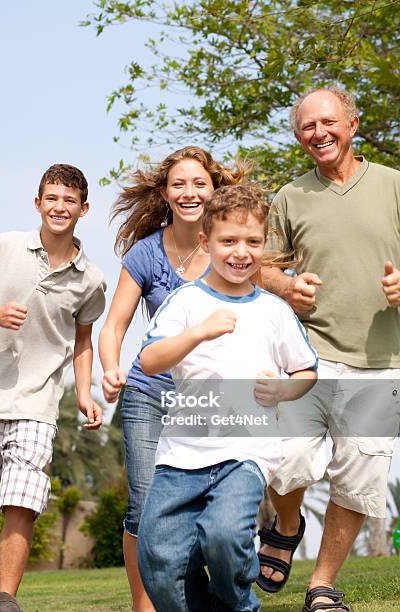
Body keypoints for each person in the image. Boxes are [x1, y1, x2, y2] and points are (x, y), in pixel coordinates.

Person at [136, 183, 318, 611]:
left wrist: (284, 388)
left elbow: (306, 371)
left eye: (253, 242)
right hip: (181, 456)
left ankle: (240, 605)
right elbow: (149, 360)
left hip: (245, 452)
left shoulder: (274, 310)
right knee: (158, 559)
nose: (241, 252)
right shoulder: (186, 301)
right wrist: (198, 331)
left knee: (224, 536)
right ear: (206, 242)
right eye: (229, 241)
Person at [258, 86, 400, 612]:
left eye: (327, 122)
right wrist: (284, 285)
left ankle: (321, 585)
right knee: (285, 459)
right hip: (310, 355)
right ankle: (288, 524)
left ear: (353, 124)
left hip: (383, 362)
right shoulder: (291, 197)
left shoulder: (392, 186)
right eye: (307, 128)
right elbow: (262, 265)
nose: (318, 134)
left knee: (359, 475)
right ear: (299, 137)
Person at [0, 164, 106, 612]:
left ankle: (6, 599)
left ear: (83, 208)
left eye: (69, 201)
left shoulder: (91, 279)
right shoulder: (4, 246)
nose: (60, 207)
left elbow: (82, 342)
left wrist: (83, 394)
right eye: (51, 198)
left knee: (24, 493)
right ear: (37, 203)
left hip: (38, 402)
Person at [99, 146, 247, 610]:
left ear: (214, 190)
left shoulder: (232, 247)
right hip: (149, 392)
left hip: (212, 398)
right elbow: (114, 325)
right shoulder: (146, 253)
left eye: (199, 183)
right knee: (144, 507)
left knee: (208, 505)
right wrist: (109, 367)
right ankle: (144, 603)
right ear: (164, 193)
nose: (189, 193)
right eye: (179, 184)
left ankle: (203, 594)